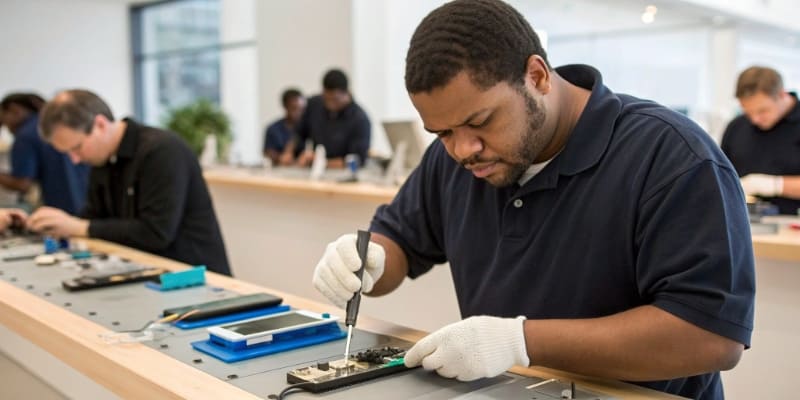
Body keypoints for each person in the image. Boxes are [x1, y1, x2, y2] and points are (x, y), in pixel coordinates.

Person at [311, 1, 754, 399]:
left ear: (537, 76)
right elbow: (400, 242)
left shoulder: (671, 156)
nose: (462, 150)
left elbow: (711, 337)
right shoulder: (455, 160)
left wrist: (519, 341)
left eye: (480, 121)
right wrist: (367, 261)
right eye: (442, 133)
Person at [26, 89, 231, 276]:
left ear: (100, 125)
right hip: (143, 272)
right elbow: (93, 218)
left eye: (77, 148)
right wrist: (60, 224)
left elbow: (155, 233)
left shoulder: (162, 151)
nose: (75, 159)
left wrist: (79, 227)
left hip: (193, 278)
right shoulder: (101, 159)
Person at [720, 66, 800, 215]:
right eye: (748, 112)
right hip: (743, 221)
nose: (755, 119)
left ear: (782, 94)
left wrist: (776, 185)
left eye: (762, 111)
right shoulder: (736, 126)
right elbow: (721, 175)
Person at [0, 93, 90, 214]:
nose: (4, 125)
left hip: (62, 206)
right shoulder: (57, 126)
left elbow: (22, 184)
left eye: (3, 119)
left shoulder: (25, 135)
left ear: (14, 109)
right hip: (87, 201)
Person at [280, 69, 371, 168]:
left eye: (335, 99)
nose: (329, 104)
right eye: (326, 98)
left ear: (347, 93)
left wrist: (322, 162)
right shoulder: (314, 104)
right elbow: (298, 134)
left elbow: (357, 161)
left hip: (343, 174)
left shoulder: (360, 120)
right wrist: (288, 152)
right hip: (314, 173)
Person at [264, 88, 305, 166]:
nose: (298, 113)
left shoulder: (307, 128)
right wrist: (280, 158)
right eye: (294, 108)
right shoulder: (273, 129)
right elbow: (267, 152)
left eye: (301, 109)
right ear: (285, 106)